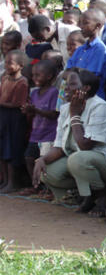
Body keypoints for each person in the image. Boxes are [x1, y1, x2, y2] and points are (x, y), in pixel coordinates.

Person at [33, 68, 106, 217]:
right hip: (82, 160)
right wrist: (42, 159)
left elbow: (85, 145)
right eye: (65, 83)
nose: (65, 87)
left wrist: (75, 115)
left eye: (71, 84)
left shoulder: (99, 106)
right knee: (47, 171)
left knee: (77, 159)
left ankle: (103, 197)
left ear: (85, 88)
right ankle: (88, 195)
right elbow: (59, 146)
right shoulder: (65, 108)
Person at [20, 60, 59, 195]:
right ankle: (36, 185)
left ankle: (48, 188)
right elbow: (33, 111)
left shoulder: (54, 92)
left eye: (38, 75)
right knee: (29, 158)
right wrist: (28, 110)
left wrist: (35, 110)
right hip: (36, 133)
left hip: (49, 134)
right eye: (33, 75)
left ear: (48, 76)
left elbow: (54, 114)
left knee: (45, 162)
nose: (34, 78)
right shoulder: (34, 93)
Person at [0, 50, 29, 192]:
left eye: (10, 63)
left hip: (14, 119)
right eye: (5, 62)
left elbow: (18, 104)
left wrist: (1, 103)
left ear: (20, 65)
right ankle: (5, 181)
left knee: (11, 149)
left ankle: (12, 182)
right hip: (3, 117)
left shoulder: (22, 82)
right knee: (2, 149)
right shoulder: (5, 78)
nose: (6, 66)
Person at [66, 9, 106, 99]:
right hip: (76, 96)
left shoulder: (99, 48)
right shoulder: (80, 49)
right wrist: (76, 71)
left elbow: (89, 78)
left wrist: (75, 70)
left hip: (92, 97)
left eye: (85, 23)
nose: (81, 26)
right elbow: (66, 73)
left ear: (98, 26)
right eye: (80, 23)